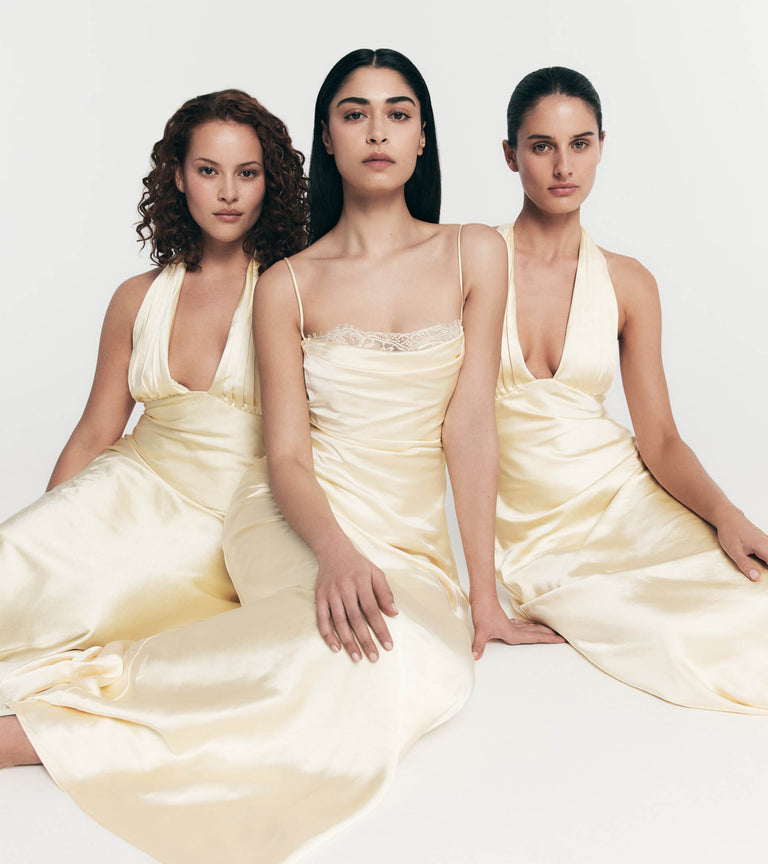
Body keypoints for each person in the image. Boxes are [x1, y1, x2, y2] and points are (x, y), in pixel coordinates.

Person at [0, 49, 559, 864]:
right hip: (292, 516)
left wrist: (485, 599)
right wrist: (333, 553)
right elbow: (286, 456)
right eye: (354, 113)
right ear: (326, 139)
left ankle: (54, 721)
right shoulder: (288, 283)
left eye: (398, 113)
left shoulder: (477, 252)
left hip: (405, 541)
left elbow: (470, 425)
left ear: (424, 137)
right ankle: (48, 724)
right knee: (322, 636)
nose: (377, 132)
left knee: (394, 665)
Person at [0, 88, 307, 754]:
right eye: (208, 170)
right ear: (177, 176)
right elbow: (94, 430)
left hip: (220, 527)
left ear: (269, 183)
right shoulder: (138, 298)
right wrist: (56, 532)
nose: (228, 192)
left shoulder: (293, 289)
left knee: (93, 612)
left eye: (247, 173)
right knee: (13, 570)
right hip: (123, 489)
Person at [475, 65, 768, 713]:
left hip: (624, 498)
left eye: (579, 143)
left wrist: (728, 516)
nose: (562, 165)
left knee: (754, 597)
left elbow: (660, 437)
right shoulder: (467, 260)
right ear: (509, 154)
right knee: (678, 633)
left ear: (601, 147)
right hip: (530, 536)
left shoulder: (629, 282)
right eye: (541, 145)